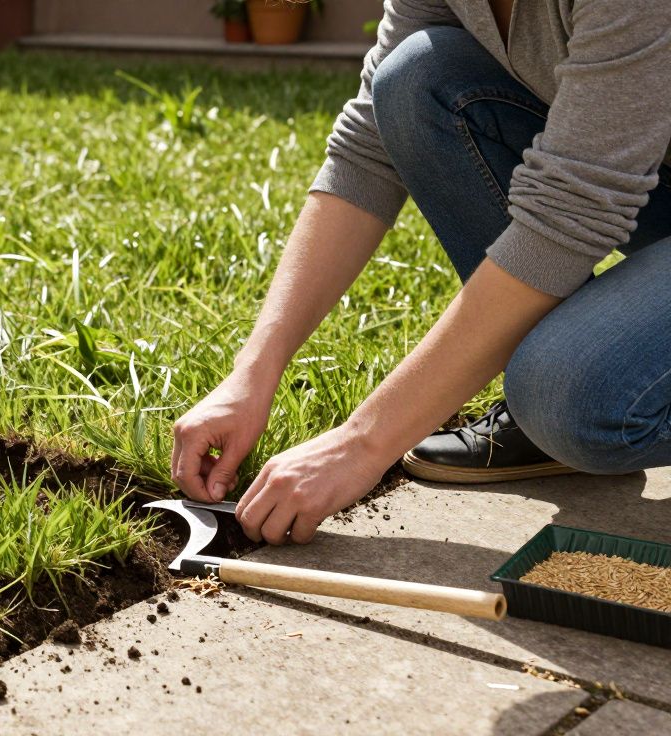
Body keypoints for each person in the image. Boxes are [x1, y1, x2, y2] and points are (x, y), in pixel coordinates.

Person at [169, 0, 671, 545]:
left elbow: (571, 212)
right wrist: (253, 373)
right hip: (645, 168)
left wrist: (360, 444)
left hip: (620, 174)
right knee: (416, 78)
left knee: (568, 394)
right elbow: (367, 149)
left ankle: (570, 406)